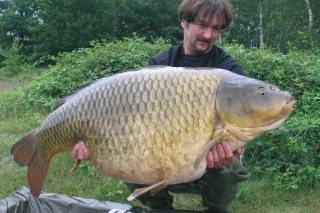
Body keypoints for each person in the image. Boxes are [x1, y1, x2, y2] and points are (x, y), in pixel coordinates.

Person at [72, 0, 249, 212]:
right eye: (202, 25)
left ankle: (216, 208)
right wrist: (94, 142)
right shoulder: (158, 66)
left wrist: (237, 145)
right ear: (184, 22)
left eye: (216, 28)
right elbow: (133, 121)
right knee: (131, 154)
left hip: (206, 156)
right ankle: (161, 207)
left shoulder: (229, 72)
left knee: (227, 166)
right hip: (163, 149)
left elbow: (243, 126)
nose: (209, 35)